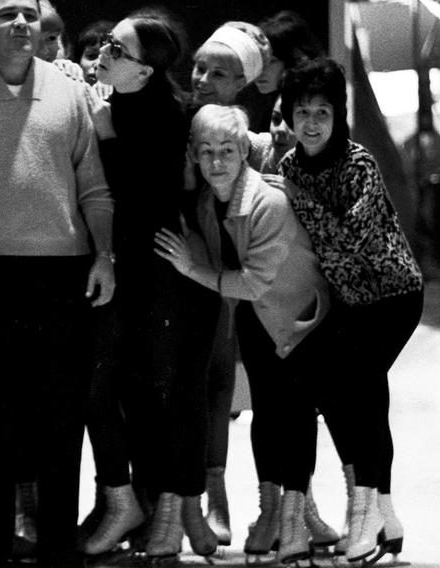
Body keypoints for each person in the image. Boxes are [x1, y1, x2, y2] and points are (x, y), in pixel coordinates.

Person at [0, 0, 114, 565]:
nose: (20, 25)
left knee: (62, 417)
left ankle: (58, 547)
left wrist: (105, 256)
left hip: (65, 274)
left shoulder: (69, 89)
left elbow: (93, 186)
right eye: (6, 14)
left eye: (28, 15)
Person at [155, 104, 333, 564]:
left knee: (292, 416)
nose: (217, 161)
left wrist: (192, 268)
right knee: (266, 414)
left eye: (228, 151)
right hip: (257, 317)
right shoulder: (203, 202)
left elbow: (253, 280)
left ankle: (292, 522)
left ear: (243, 153)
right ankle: (270, 512)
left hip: (297, 318)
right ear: (195, 155)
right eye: (208, 151)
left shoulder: (266, 201)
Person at [80, 9, 223, 559]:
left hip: (169, 274)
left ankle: (168, 513)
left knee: (169, 396)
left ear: (144, 72)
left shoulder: (172, 116)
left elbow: (149, 199)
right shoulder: (110, 103)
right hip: (124, 267)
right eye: (108, 42)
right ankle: (129, 504)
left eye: (117, 50)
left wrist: (108, 135)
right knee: (114, 391)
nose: (104, 53)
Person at [278, 57, 423, 565]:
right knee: (313, 385)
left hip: (392, 297)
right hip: (349, 303)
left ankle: (365, 520)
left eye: (323, 111)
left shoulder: (358, 163)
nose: (312, 122)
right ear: (289, 115)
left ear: (339, 114)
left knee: (357, 391)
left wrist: (299, 202)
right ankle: (380, 514)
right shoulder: (290, 167)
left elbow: (348, 241)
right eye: (302, 112)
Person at [187, 21, 273, 547]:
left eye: (219, 73)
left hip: (228, 280)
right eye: (199, 66)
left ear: (241, 83)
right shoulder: (180, 122)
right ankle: (169, 501)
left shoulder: (252, 144)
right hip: (178, 267)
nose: (202, 79)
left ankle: (215, 494)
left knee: (219, 386)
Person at [237, 10, 323, 134]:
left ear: (295, 62)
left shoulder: (310, 104)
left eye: (271, 61)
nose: (260, 70)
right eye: (258, 60)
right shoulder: (258, 99)